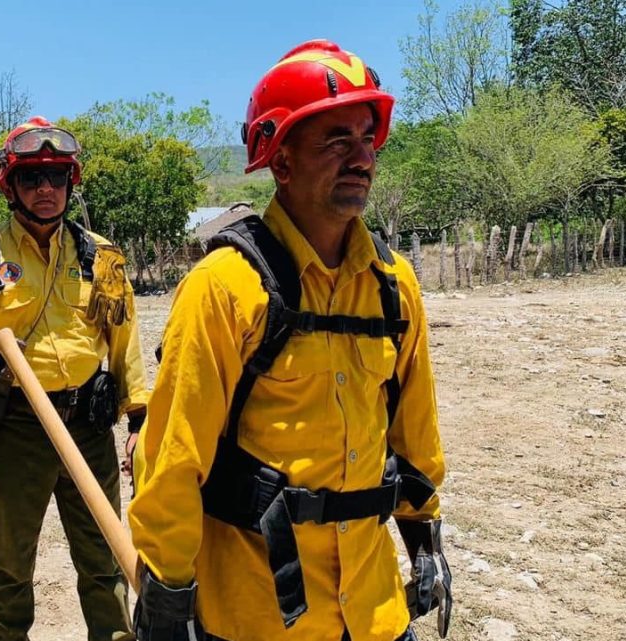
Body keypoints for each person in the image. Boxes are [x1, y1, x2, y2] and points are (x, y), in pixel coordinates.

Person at [128, 40, 451, 641]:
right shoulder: (226, 287)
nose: (361, 158)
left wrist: (424, 534)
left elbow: (416, 433)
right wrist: (168, 593)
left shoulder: (393, 284)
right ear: (280, 161)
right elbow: (173, 461)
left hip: (375, 609)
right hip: (261, 615)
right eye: (336, 140)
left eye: (366, 138)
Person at [0, 116, 149, 641]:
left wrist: (139, 419)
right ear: (10, 185)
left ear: (71, 182)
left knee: (105, 561)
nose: (45, 189)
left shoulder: (105, 257)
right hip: (16, 432)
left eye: (56, 176)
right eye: (32, 177)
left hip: (88, 430)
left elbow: (126, 341)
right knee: (9, 569)